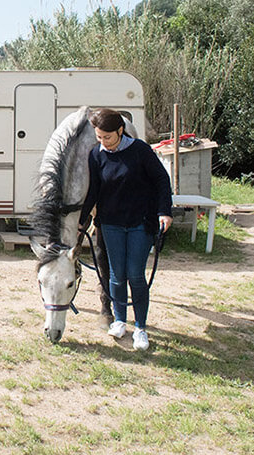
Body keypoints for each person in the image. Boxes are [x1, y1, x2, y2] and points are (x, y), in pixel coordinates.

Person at [78, 108, 173, 351]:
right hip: (111, 224)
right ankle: (120, 320)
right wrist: (82, 219)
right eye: (99, 137)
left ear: (120, 131)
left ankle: (141, 327)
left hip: (141, 222)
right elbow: (94, 191)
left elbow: (162, 180)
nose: (103, 142)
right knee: (117, 275)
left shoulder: (140, 151)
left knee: (135, 275)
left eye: (107, 137)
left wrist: (164, 211)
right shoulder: (97, 155)